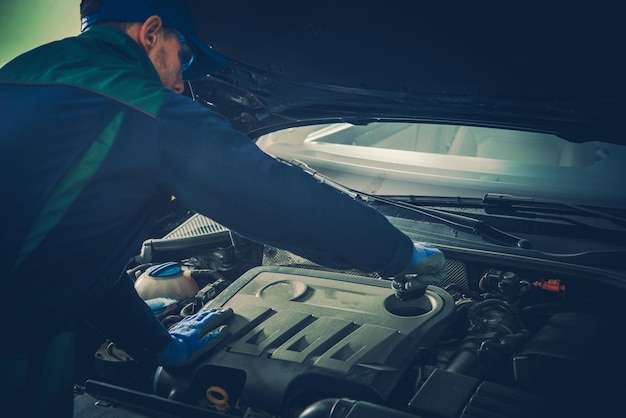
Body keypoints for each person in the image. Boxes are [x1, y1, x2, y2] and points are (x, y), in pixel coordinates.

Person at [0, 0, 446, 416]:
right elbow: (272, 196)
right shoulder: (145, 108)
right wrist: (395, 252)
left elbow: (69, 256)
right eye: (185, 58)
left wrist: (154, 344)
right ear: (151, 33)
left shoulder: (22, 73)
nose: (180, 82)